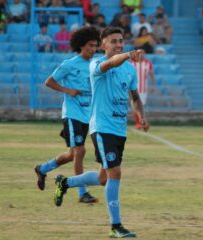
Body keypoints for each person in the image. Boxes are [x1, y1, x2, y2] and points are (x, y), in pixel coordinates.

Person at [53, 27, 148, 238]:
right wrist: (128, 55)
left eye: (121, 41)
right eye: (113, 41)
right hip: (102, 127)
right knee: (116, 172)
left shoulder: (129, 70)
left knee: (103, 178)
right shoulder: (96, 64)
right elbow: (111, 63)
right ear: (103, 45)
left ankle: (65, 182)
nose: (118, 44)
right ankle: (116, 226)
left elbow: (135, 97)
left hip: (119, 129)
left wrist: (141, 115)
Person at [34, 27, 100, 203]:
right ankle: (82, 193)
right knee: (80, 151)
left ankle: (42, 169)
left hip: (88, 115)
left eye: (95, 46)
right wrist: (68, 90)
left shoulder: (96, 64)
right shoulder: (69, 64)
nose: (93, 49)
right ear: (81, 45)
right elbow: (49, 81)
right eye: (90, 46)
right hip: (72, 113)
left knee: (72, 154)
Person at [130, 49, 156, 129]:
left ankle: (141, 122)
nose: (141, 55)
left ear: (144, 54)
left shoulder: (148, 63)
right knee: (135, 106)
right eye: (139, 53)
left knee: (142, 106)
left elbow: (151, 74)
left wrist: (153, 85)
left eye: (142, 53)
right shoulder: (132, 63)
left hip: (143, 89)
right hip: (133, 89)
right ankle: (138, 123)